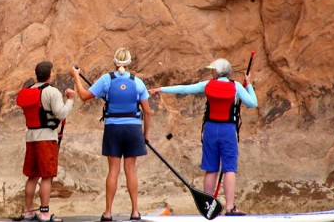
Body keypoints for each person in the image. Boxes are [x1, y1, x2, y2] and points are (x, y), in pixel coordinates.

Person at [148, 58, 257, 216]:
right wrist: (249, 85)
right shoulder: (236, 87)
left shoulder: (208, 85)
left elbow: (185, 89)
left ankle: (208, 206)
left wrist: (161, 89)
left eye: (213, 69)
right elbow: (253, 103)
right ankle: (230, 207)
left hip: (210, 130)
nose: (211, 71)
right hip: (228, 130)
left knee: (211, 168)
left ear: (217, 71)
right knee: (229, 169)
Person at [70, 48, 152, 221]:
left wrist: (76, 76)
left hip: (113, 129)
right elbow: (147, 112)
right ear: (129, 63)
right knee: (131, 170)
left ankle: (108, 213)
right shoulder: (138, 82)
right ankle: (135, 211)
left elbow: (84, 96)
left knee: (113, 170)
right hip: (133, 129)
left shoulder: (106, 80)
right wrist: (145, 135)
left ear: (115, 62)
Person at [16, 61, 76, 222]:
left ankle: (28, 212)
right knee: (47, 176)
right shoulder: (51, 92)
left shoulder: (28, 90)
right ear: (50, 74)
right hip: (46, 138)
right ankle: (44, 214)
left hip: (30, 137)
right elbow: (61, 113)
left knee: (32, 176)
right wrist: (70, 99)